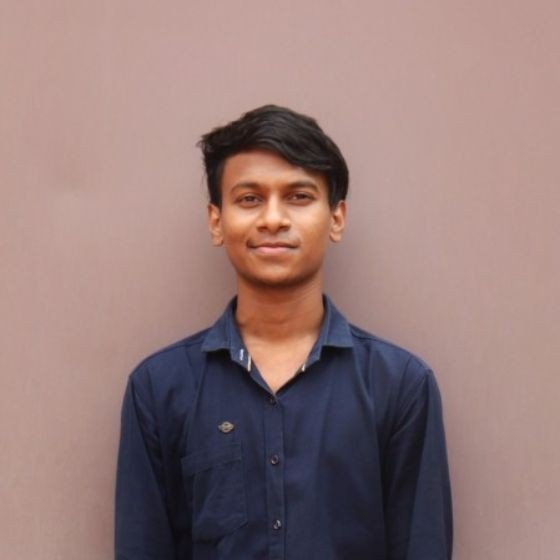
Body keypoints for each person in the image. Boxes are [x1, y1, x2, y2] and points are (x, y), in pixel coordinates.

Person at [115, 105, 452, 560]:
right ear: (216, 221)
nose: (273, 218)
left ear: (336, 218)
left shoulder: (400, 387)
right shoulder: (159, 389)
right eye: (249, 199)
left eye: (298, 196)